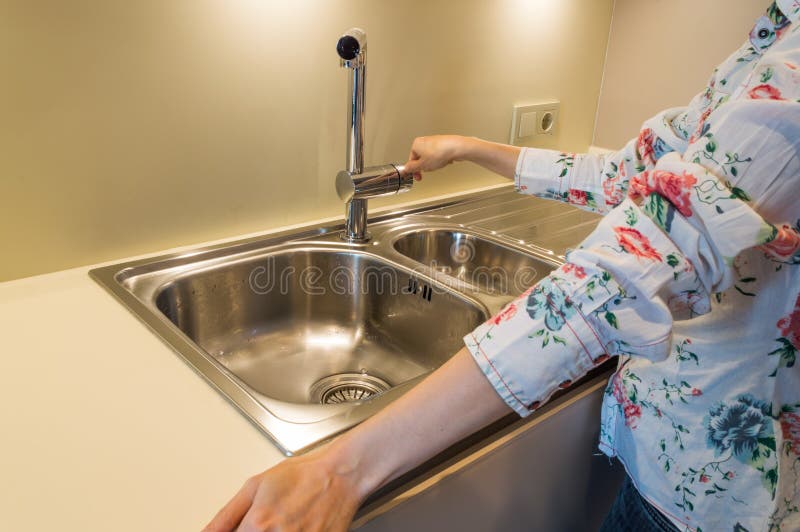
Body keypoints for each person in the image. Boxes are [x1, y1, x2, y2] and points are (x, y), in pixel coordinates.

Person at [205, 2, 800, 530]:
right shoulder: (772, 36)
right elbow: (629, 176)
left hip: (715, 484)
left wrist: (341, 470)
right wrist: (468, 149)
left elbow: (627, 270)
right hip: (664, 438)